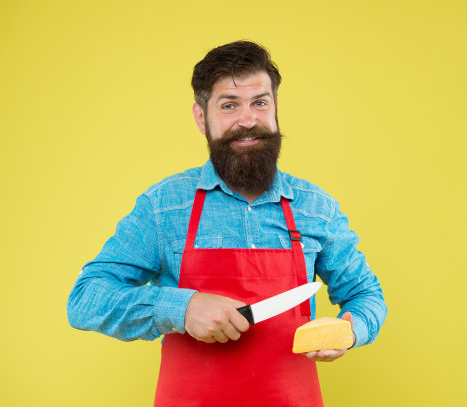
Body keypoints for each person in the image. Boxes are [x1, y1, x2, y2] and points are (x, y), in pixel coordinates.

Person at [67, 40, 387, 407]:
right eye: (229, 105)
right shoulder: (164, 207)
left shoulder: (316, 208)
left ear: (276, 108)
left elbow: (366, 295)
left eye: (260, 103)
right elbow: (85, 299)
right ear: (202, 117)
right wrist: (182, 308)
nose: (248, 120)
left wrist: (349, 330)